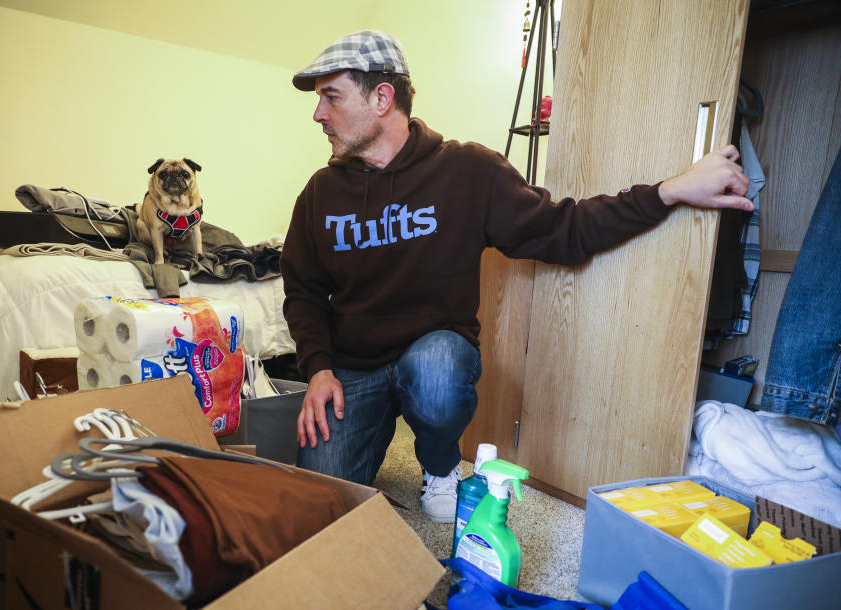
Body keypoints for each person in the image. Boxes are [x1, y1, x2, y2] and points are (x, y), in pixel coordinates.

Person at [279, 30, 754, 522]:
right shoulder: (321, 192)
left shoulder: (467, 171)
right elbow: (303, 289)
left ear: (381, 97)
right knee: (318, 504)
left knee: (437, 372)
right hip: (352, 367)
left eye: (330, 98)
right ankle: (369, 429)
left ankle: (441, 466)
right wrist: (317, 369)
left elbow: (564, 228)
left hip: (434, 358)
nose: (319, 114)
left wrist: (671, 191)